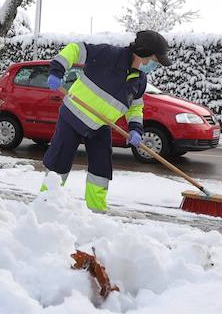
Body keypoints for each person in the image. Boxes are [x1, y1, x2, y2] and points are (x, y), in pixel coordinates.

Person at [39, 30, 171, 212]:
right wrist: (57, 70)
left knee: (101, 169)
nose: (153, 65)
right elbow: (76, 49)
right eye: (154, 60)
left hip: (101, 125)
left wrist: (135, 129)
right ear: (143, 53)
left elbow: (135, 107)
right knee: (58, 162)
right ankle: (46, 204)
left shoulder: (140, 80)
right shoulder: (108, 55)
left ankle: (96, 212)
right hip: (72, 115)